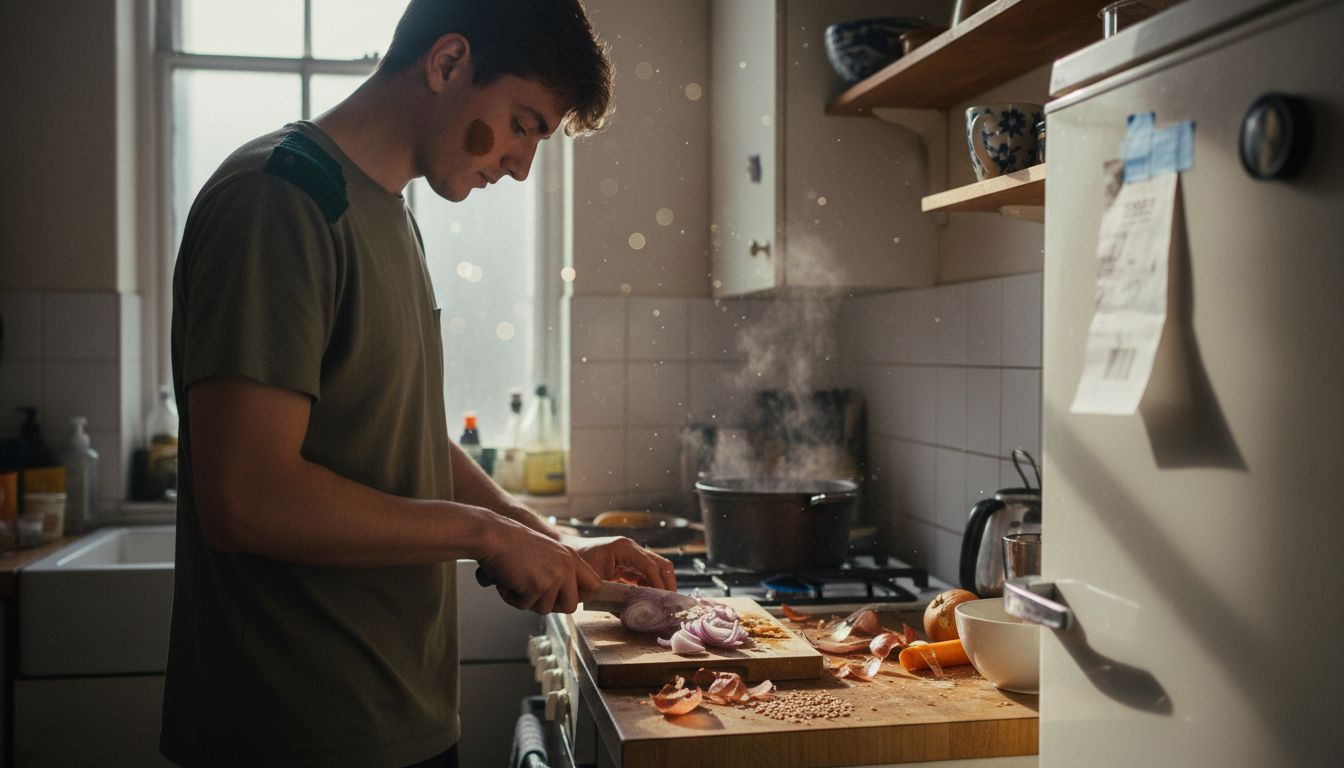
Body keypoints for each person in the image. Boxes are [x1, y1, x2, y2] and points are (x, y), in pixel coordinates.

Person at [159, 1, 675, 766]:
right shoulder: (279, 200)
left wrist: (547, 538)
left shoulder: (389, 213)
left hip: (398, 710)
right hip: (294, 731)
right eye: (524, 123)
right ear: (446, 64)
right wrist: (483, 535)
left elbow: (393, 436)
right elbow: (247, 499)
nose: (522, 165)